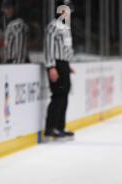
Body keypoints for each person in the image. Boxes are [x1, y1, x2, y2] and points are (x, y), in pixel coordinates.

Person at [44, 0, 75, 140]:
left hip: (63, 65)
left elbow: (64, 48)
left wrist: (68, 65)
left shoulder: (65, 27)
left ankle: (60, 127)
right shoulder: (53, 26)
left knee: (64, 94)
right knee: (58, 95)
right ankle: (51, 128)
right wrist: (51, 66)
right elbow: (49, 47)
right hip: (56, 65)